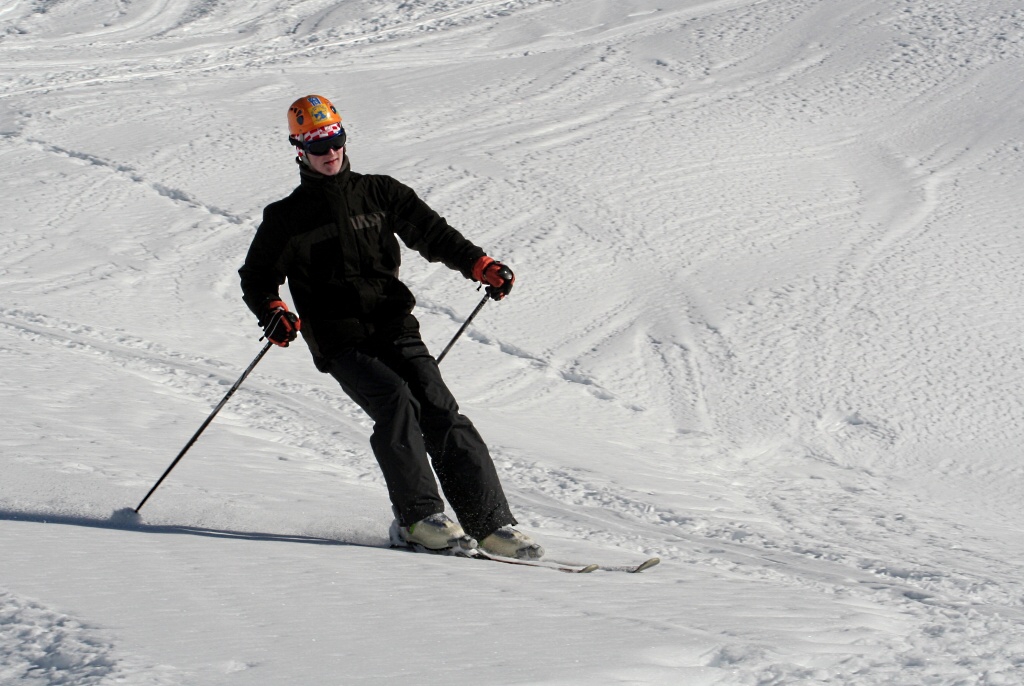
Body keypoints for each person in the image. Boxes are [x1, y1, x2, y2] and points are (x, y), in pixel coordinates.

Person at [239, 94, 543, 560]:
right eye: (317, 142)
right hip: (339, 339)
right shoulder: (286, 216)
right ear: (298, 147)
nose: (329, 150)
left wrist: (479, 264)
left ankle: (490, 525)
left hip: (394, 323)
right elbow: (257, 278)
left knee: (439, 408)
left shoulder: (380, 192)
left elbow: (433, 233)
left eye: (335, 137)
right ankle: (419, 519)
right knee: (396, 402)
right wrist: (274, 310)